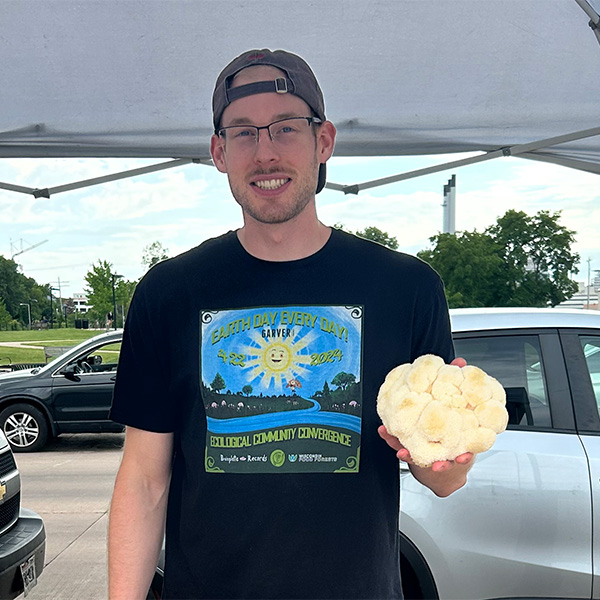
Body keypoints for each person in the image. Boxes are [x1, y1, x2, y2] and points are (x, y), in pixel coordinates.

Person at [108, 48, 473, 600]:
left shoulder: (407, 288)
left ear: (323, 141)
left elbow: (439, 476)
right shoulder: (168, 292)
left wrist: (448, 466)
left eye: (285, 128)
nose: (265, 152)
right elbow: (143, 480)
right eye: (244, 133)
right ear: (218, 152)